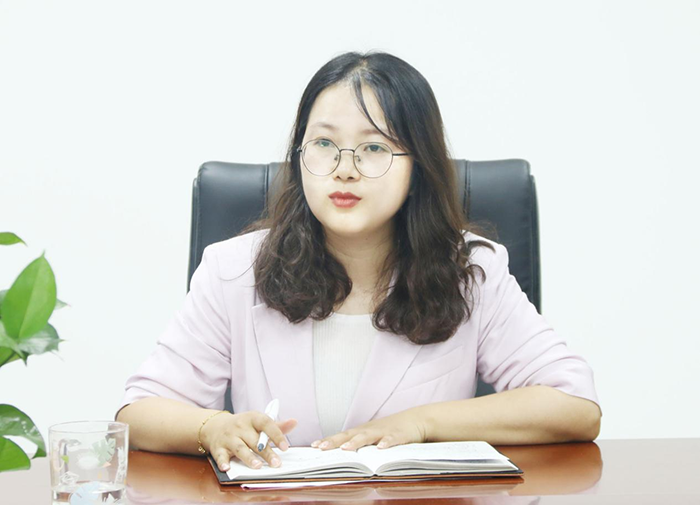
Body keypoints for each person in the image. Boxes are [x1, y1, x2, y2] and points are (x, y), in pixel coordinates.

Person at [116, 51, 601, 474]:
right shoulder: (234, 269)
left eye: (373, 148)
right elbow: (138, 413)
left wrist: (423, 424)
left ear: (418, 166)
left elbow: (574, 405)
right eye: (324, 144)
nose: (344, 169)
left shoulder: (470, 271)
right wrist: (210, 427)